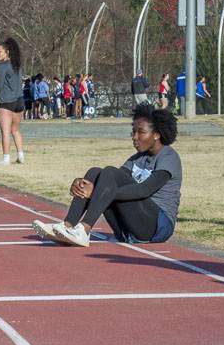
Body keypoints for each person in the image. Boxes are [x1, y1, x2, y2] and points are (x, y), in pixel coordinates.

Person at [34, 105, 181, 247]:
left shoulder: (168, 157)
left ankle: (84, 229)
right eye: (133, 132)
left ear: (156, 134)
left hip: (156, 227)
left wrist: (96, 193)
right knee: (96, 172)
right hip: (128, 227)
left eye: (141, 132)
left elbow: (144, 190)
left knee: (109, 172)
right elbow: (110, 182)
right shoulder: (137, 158)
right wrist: (82, 184)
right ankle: (67, 226)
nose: (134, 137)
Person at [0, 37, 25, 165]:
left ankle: (6, 158)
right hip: (19, 102)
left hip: (7, 102)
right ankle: (21, 155)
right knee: (15, 130)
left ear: (7, 52)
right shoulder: (18, 65)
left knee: (5, 132)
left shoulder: (3, 66)